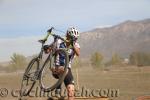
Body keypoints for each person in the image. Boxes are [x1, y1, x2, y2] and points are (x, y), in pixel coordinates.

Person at [45, 27, 80, 100]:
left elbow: (78, 53)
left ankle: (59, 89)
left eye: (75, 38)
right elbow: (48, 51)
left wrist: (73, 44)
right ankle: (58, 88)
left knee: (71, 93)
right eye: (72, 38)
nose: (75, 40)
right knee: (64, 69)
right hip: (56, 68)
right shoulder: (59, 41)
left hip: (67, 69)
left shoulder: (76, 45)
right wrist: (46, 48)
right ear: (67, 35)